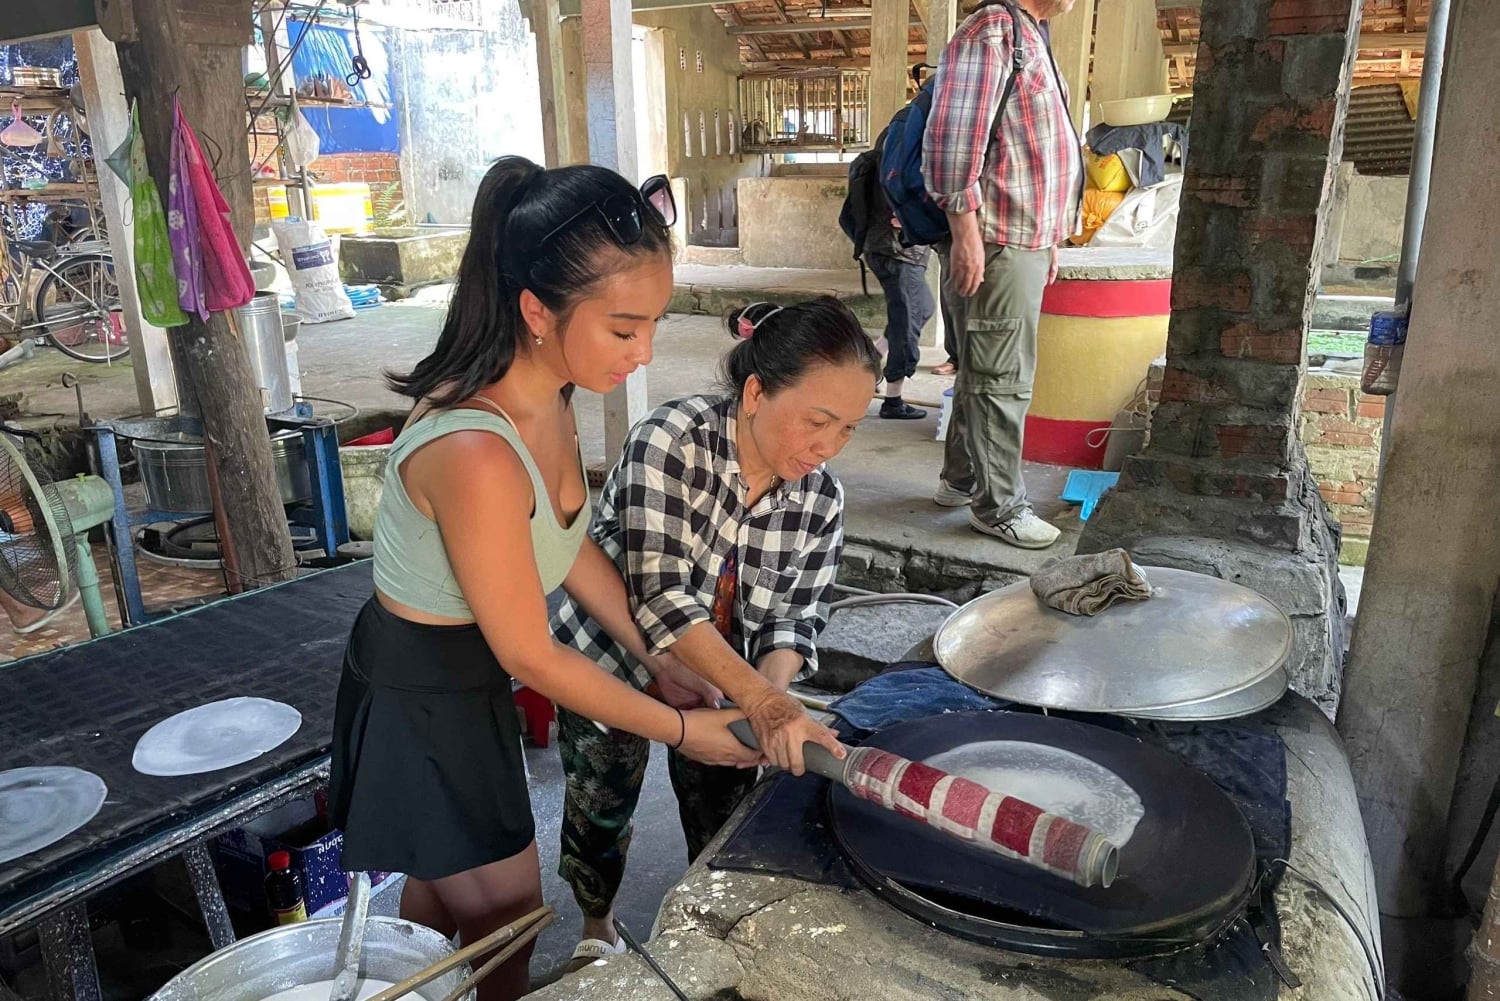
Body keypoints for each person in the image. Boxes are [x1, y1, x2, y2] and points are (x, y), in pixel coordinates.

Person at [328, 156, 760, 1001]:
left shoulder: (551, 390)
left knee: (447, 898)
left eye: (654, 326)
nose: (643, 355)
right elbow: (531, 651)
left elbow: (570, 551)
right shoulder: (477, 448)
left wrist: (656, 653)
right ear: (537, 310)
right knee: (512, 918)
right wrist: (680, 727)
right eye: (623, 328)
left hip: (466, 679)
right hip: (423, 692)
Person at [550, 297, 881, 967]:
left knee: (726, 817)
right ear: (755, 392)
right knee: (600, 799)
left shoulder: (821, 498)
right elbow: (662, 594)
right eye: (816, 420)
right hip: (611, 658)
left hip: (727, 683)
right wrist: (764, 703)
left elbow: (794, 616)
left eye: (847, 428)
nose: (827, 446)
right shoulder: (671, 440)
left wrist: (769, 696)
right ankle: (597, 922)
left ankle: (706, 939)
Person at [922, 0, 1083, 549]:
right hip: (997, 239)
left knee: (982, 364)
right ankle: (998, 507)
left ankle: (961, 480)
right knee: (1000, 377)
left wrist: (1052, 234)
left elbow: (1030, 148)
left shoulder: (1028, 32)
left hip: (1024, 235)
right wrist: (966, 233)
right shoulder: (993, 29)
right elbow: (951, 141)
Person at [862, 175, 934, 421]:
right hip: (898, 250)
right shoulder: (909, 143)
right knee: (907, 322)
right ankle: (893, 401)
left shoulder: (900, 141)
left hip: (896, 248)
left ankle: (868, 360)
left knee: (922, 309)